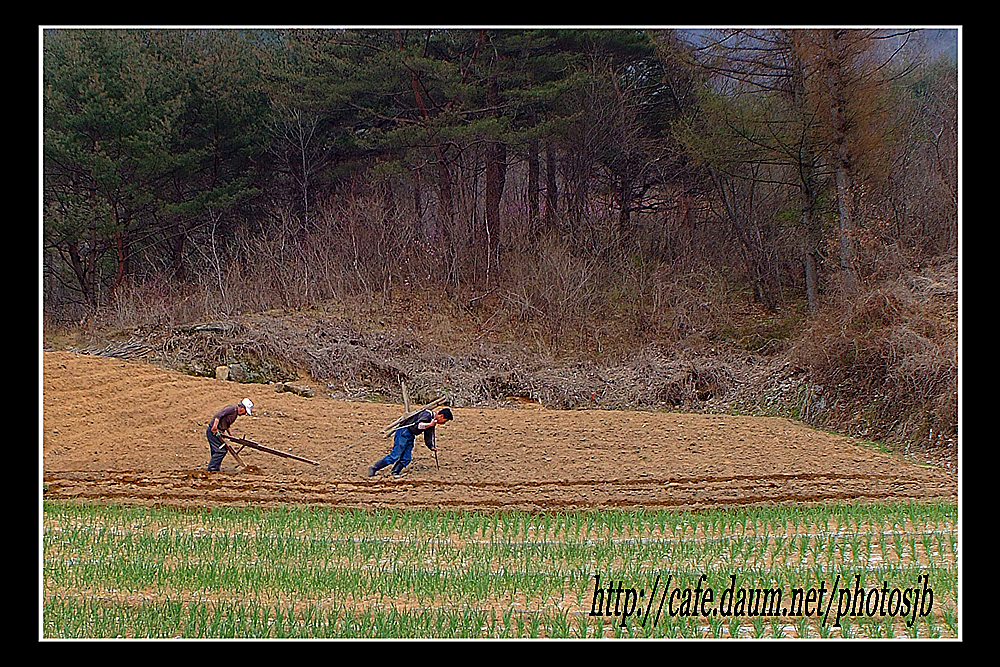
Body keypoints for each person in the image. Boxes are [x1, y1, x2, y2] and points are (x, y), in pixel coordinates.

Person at [368, 407, 453, 477]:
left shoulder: (432, 421)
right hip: (404, 432)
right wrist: (429, 425)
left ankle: (395, 472)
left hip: (411, 435)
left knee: (406, 458)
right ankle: (374, 468)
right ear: (441, 416)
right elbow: (417, 425)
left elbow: (428, 435)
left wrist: (431, 446)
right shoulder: (427, 415)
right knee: (395, 455)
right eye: (445, 420)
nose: (444, 423)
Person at [207, 398, 253, 472]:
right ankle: (212, 469)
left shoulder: (234, 415)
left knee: (217, 451)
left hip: (219, 432)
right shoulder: (231, 409)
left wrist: (231, 435)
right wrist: (215, 426)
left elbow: (227, 425)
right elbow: (218, 416)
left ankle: (214, 469)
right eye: (245, 412)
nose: (244, 414)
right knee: (221, 451)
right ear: (241, 408)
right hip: (213, 431)